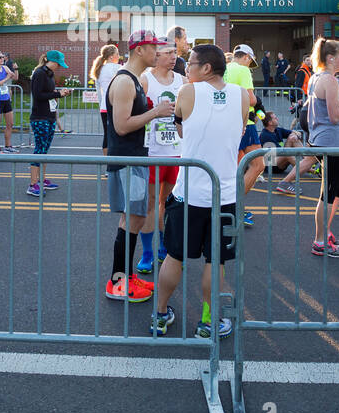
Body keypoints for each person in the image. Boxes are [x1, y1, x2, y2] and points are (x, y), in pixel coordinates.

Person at [150, 44, 246, 339]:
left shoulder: (188, 92)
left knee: (174, 257)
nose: (185, 69)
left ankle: (160, 314)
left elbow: (180, 128)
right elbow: (239, 132)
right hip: (225, 193)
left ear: (206, 68)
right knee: (214, 262)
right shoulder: (243, 95)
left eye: (190, 64)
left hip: (189, 192)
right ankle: (209, 321)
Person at [103, 30, 173, 302]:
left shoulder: (133, 80)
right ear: (140, 49)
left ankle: (125, 277)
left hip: (134, 158)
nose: (158, 53)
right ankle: (117, 282)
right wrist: (154, 112)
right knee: (133, 218)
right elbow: (120, 127)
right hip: (126, 160)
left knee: (136, 217)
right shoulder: (124, 82)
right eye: (154, 48)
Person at [307, 38, 339, 258]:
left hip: (324, 140)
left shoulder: (318, 77)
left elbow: (325, 104)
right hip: (330, 142)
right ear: (330, 59)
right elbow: (335, 114)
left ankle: (324, 233)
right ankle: (319, 241)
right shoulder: (328, 80)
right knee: (327, 194)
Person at [137, 38, 184, 274]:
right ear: (157, 55)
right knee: (150, 204)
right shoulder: (145, 80)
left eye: (175, 53)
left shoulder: (183, 81)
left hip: (177, 153)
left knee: (168, 203)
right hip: (153, 152)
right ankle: (146, 252)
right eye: (168, 53)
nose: (173, 57)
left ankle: (164, 246)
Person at [224, 45, 262, 225]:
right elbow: (251, 99)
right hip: (245, 122)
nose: (250, 64)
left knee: (230, 169)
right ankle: (235, 206)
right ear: (246, 57)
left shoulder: (223, 68)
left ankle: (228, 207)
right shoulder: (243, 70)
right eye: (250, 61)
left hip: (226, 123)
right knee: (257, 164)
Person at [27, 51, 66, 196]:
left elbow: (48, 92)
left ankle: (42, 180)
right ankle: (32, 184)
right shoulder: (39, 73)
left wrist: (59, 93)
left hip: (49, 117)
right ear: (53, 62)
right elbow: (38, 95)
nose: (59, 67)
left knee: (44, 150)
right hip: (40, 117)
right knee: (39, 150)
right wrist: (58, 94)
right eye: (59, 64)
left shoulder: (49, 74)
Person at [91, 44, 122, 149]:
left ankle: (108, 161)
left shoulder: (98, 70)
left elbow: (99, 93)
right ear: (111, 56)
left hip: (104, 107)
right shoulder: (118, 68)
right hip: (116, 106)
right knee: (118, 135)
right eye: (117, 54)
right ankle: (116, 161)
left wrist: (101, 105)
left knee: (107, 135)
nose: (119, 56)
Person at [0, 50, 16, 152]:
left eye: (3, 57)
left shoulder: (5, 67)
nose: (2, 59)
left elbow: (14, 77)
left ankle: (8, 145)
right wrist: (7, 77)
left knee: (10, 123)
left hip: (6, 98)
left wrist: (14, 71)